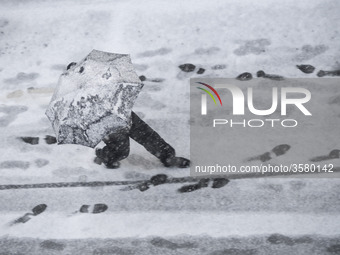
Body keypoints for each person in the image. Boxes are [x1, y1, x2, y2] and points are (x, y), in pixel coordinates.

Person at [66, 62, 190, 169]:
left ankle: (168, 157)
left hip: (123, 113)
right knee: (121, 150)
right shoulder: (75, 95)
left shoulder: (99, 79)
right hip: (106, 124)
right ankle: (106, 156)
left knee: (147, 135)